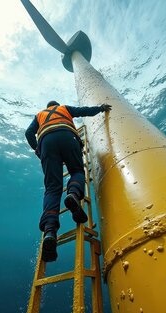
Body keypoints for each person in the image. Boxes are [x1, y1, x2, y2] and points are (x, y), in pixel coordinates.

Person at [25, 100, 112, 262]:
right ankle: (73, 194)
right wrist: (100, 108)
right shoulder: (64, 108)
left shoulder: (39, 115)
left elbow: (28, 133)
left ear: (47, 106)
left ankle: (50, 231)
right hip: (67, 136)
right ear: (56, 105)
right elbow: (83, 110)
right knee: (77, 171)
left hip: (46, 142)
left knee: (52, 188)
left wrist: (38, 150)